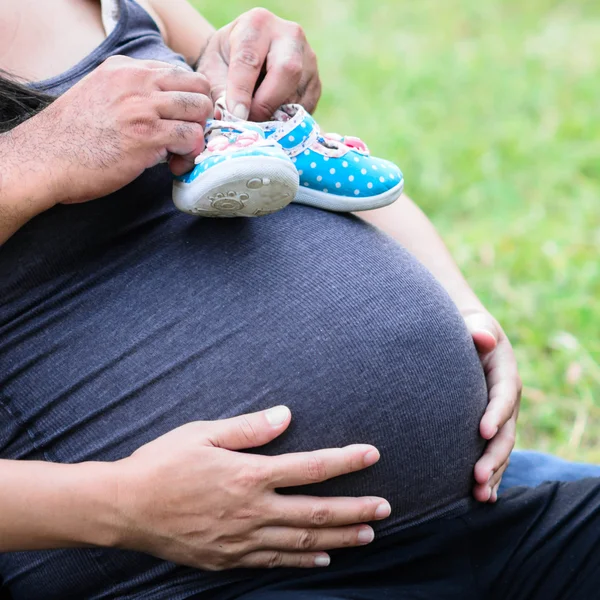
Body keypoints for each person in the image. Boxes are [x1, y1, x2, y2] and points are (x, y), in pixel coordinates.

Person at [1, 1, 599, 599]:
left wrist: (465, 312)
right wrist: (123, 505)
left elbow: (301, 160)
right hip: (208, 580)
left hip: (476, 508)